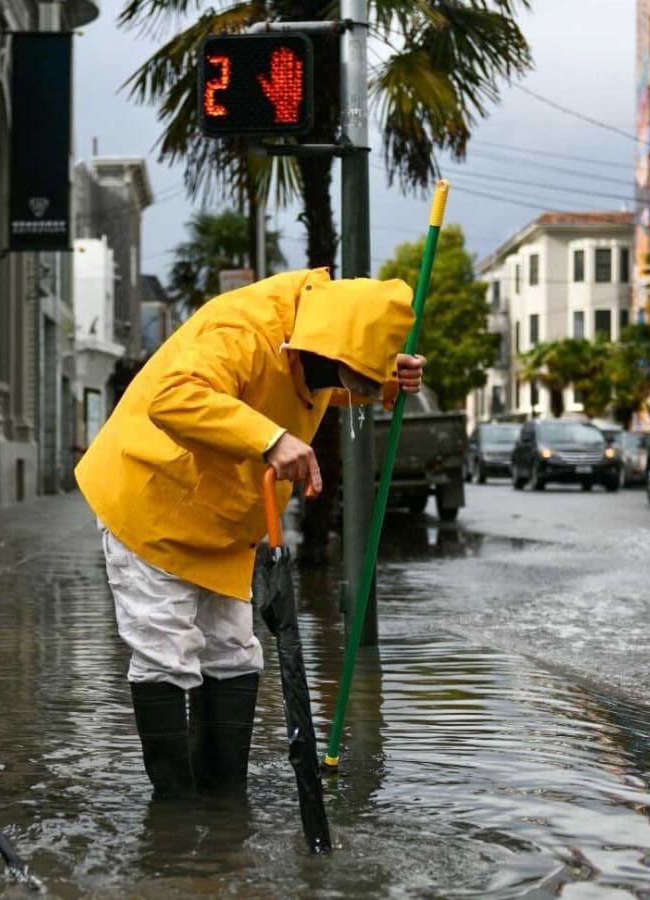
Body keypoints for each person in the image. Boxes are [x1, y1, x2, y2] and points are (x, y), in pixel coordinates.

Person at [75, 268, 425, 801]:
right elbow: (172, 397)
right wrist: (271, 439)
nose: (338, 385)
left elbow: (318, 383)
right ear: (322, 345)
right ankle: (175, 810)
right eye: (342, 373)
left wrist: (380, 383)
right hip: (152, 499)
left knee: (234, 652)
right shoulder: (244, 328)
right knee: (164, 651)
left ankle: (223, 799)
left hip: (224, 516)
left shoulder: (312, 341)